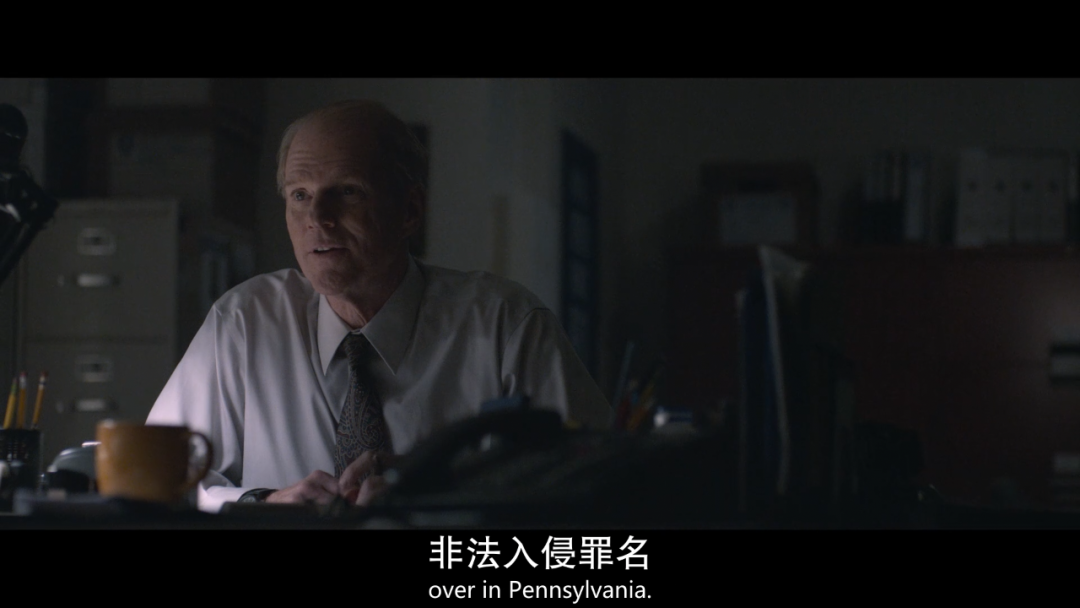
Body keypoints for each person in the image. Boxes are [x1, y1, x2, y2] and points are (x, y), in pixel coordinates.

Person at [146, 100, 611, 512]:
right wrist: (261, 505)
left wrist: (444, 490)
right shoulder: (244, 322)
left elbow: (599, 483)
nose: (317, 219)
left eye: (347, 192)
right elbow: (153, 479)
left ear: (409, 210)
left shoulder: (507, 327)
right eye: (300, 195)